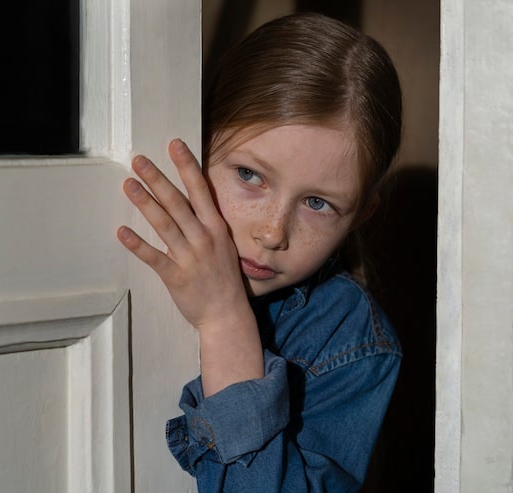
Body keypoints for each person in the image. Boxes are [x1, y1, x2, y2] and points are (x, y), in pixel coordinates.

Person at [116, 12, 402, 493]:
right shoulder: (123, 254)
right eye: (249, 175)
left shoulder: (352, 343)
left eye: (317, 203)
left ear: (360, 216)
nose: (272, 232)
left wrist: (225, 323)